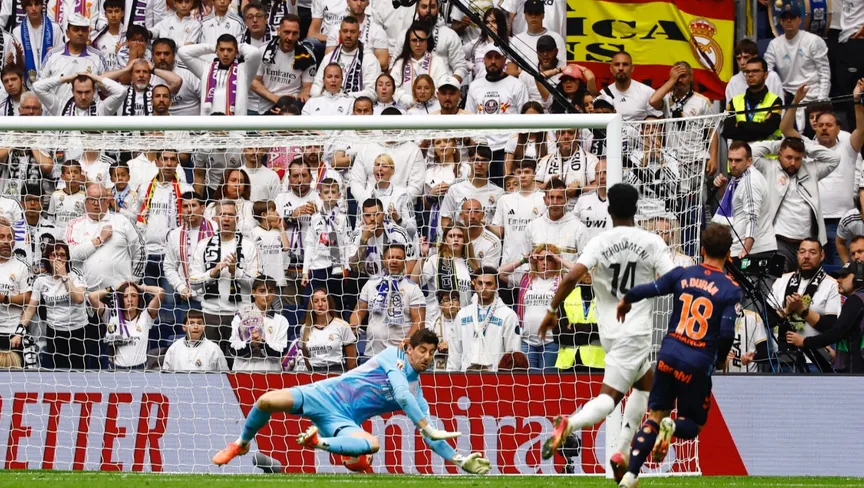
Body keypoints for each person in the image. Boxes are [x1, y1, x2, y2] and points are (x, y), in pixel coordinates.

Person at [212, 329, 490, 473]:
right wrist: (426, 426)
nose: (427, 357)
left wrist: (459, 459)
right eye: (422, 350)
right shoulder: (392, 357)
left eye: (431, 352)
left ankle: (318, 442)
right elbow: (401, 395)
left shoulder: (418, 393)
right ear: (408, 349)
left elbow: (433, 439)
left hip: (343, 421)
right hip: (323, 394)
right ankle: (241, 443)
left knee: (373, 444)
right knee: (265, 401)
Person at [538, 183, 676, 468]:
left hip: (609, 333)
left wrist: (551, 310)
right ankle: (570, 424)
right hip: (635, 331)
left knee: (644, 386)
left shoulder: (598, 242)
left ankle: (622, 451)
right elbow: (674, 280)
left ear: (609, 210)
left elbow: (571, 278)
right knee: (610, 397)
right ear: (636, 209)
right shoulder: (652, 242)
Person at [614, 223, 742, 487]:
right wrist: (720, 358)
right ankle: (670, 427)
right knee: (693, 424)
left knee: (654, 416)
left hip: (668, 355)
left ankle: (630, 476)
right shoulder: (730, 288)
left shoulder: (683, 273)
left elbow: (649, 288)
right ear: (729, 254)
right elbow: (727, 332)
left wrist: (627, 299)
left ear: (702, 249)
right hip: (697, 362)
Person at [751, 137, 840, 272]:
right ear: (779, 154)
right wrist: (779, 144)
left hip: (807, 245)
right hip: (779, 242)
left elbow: (834, 158)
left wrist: (805, 148)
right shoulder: (769, 167)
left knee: (805, 283)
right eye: (788, 157)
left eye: (798, 158)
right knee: (779, 280)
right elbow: (752, 152)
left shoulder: (811, 169)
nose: (793, 163)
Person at [771, 239, 841, 372]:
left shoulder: (832, 284)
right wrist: (787, 310)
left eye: (812, 252)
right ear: (797, 255)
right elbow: (768, 319)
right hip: (781, 359)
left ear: (822, 255)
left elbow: (830, 326)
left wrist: (803, 310)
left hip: (815, 360)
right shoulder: (781, 280)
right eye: (802, 252)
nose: (806, 256)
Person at [499, 244, 572, 371]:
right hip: (527, 341)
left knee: (549, 381)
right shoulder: (526, 278)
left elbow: (583, 272)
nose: (545, 263)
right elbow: (501, 273)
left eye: (549, 259)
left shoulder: (563, 279)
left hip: (552, 341)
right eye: (541, 259)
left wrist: (559, 259)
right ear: (535, 261)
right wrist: (524, 260)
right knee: (529, 380)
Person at [19, 242, 90, 369]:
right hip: (55, 332)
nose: (58, 258)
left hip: (78, 331)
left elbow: (79, 298)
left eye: (62, 255)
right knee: (58, 372)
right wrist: (19, 331)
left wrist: (64, 276)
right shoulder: (41, 280)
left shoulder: (75, 274)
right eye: (54, 255)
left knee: (79, 372)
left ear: (67, 258)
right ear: (48, 258)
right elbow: (30, 308)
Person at [350, 243, 425, 359]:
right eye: (390, 257)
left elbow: (419, 322)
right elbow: (358, 311)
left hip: (399, 356)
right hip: (371, 355)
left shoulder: (413, 288)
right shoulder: (371, 284)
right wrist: (354, 324)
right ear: (384, 261)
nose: (394, 261)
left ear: (405, 262)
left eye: (398, 258)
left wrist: (406, 343)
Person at [787, 261, 864, 373]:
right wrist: (837, 355)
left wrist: (805, 342)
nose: (838, 280)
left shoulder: (855, 300)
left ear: (859, 279)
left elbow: (837, 332)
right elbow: (850, 334)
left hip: (857, 373)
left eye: (844, 276)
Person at [67, 183, 145, 291]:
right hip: (88, 294)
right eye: (91, 199)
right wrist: (99, 240)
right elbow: (71, 256)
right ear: (85, 202)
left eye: (101, 199)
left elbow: (140, 251)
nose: (96, 203)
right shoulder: (74, 225)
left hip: (121, 294)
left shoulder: (122, 221)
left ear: (108, 202)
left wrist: (134, 282)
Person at [764, 4, 830, 127]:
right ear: (781, 21)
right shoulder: (774, 44)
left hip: (812, 97)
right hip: (788, 98)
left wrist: (821, 102)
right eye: (785, 18)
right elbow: (766, 70)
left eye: (793, 18)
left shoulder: (814, 41)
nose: (789, 21)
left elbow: (824, 74)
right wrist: (779, 91)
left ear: (800, 20)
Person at [447, 266, 522, 372]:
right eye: (480, 283)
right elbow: (455, 352)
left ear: (496, 286)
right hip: (466, 376)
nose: (484, 287)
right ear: (474, 284)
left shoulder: (508, 315)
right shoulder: (463, 314)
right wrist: (450, 375)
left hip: (496, 376)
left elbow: (512, 353)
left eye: (489, 284)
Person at [711, 141, 776, 258]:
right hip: (745, 249)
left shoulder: (750, 181)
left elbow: (752, 217)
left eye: (738, 160)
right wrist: (723, 189)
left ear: (749, 161)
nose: (733, 164)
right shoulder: (738, 177)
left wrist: (746, 250)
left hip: (753, 251)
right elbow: (736, 208)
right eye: (730, 160)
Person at [178, 34, 263, 116]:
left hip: (235, 125)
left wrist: (238, 46)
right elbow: (182, 52)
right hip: (208, 124)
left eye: (229, 50)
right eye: (222, 49)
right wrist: (212, 47)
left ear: (236, 52)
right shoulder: (205, 68)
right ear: (217, 51)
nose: (225, 54)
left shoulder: (244, 71)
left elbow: (254, 53)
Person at [92, 280, 165, 370]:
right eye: (125, 296)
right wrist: (113, 288)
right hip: (116, 370)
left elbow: (160, 292)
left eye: (133, 295)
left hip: (139, 370)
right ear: (120, 299)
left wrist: (142, 288)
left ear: (139, 298)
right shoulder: (111, 315)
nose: (130, 300)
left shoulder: (146, 316)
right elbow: (92, 297)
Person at [251, 15, 316, 115]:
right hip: (267, 107)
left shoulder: (308, 56)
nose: (290, 37)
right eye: (286, 32)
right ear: (278, 31)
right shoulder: (263, 52)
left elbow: (307, 88)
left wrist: (293, 105)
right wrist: (277, 99)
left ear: (299, 34)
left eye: (294, 33)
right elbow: (253, 81)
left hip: (293, 109)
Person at [312, 16, 380, 100]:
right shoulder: (329, 58)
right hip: (329, 103)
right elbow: (316, 87)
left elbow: (372, 93)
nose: (348, 35)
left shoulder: (369, 59)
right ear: (340, 33)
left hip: (356, 105)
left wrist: (343, 96)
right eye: (345, 31)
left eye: (353, 32)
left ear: (359, 34)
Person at [229, 276, 289, 371]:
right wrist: (250, 344)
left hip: (270, 374)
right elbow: (232, 350)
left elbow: (281, 352)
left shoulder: (281, 321)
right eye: (262, 291)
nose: (267, 295)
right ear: (253, 292)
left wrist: (262, 344)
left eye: (270, 291)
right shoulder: (240, 317)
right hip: (243, 373)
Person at [722, 56, 783, 143]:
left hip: (766, 150)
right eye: (747, 72)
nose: (750, 74)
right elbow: (728, 131)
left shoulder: (775, 101)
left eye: (755, 71)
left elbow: (768, 129)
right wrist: (758, 128)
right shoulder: (734, 102)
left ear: (765, 74)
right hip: (740, 151)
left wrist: (741, 124)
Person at [389, 22, 450, 107]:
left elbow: (443, 86)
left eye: (421, 40)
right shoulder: (400, 63)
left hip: (432, 108)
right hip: (405, 109)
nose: (418, 44)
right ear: (408, 42)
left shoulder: (437, 61)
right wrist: (410, 100)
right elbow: (392, 88)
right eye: (414, 40)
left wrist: (427, 99)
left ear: (427, 41)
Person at [300, 287, 357, 373]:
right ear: (311, 305)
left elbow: (352, 360)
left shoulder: (342, 325)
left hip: (337, 372)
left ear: (329, 303)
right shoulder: (304, 329)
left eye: (323, 300)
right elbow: (306, 358)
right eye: (316, 301)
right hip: (314, 373)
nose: (320, 304)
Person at [594, 51, 661, 121]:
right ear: (611, 69)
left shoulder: (647, 92)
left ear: (632, 68)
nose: (621, 68)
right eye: (617, 64)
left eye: (625, 64)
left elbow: (659, 122)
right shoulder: (603, 95)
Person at [0, 217, 31, 365]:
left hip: (13, 333)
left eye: (9, 237)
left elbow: (28, 299)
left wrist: (4, 298)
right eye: (1, 237)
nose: (6, 241)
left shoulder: (22, 266)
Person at [33, 71, 126, 116]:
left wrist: (96, 78)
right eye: (79, 92)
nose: (83, 97)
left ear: (94, 91)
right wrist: (66, 78)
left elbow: (121, 91)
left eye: (87, 92)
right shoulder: (60, 107)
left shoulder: (102, 109)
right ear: (72, 91)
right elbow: (37, 87)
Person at [162, 309, 228, 371]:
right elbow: (165, 375)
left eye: (199, 323)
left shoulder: (214, 349)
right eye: (191, 323)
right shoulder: (174, 348)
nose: (196, 327)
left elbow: (224, 375)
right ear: (184, 327)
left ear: (204, 327)